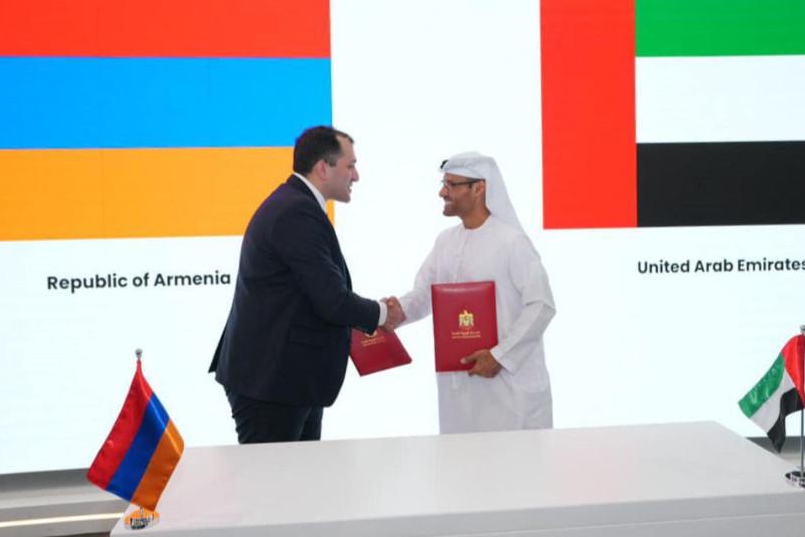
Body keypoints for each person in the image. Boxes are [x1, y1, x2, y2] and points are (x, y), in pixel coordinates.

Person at [209, 125, 405, 443]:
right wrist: (383, 313)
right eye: (351, 165)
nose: (356, 176)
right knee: (274, 475)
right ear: (323, 168)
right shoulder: (296, 211)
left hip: (289, 380)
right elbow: (332, 300)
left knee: (297, 475)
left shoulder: (296, 205)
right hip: (272, 384)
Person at [393, 152, 555, 434]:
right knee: (461, 461)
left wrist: (500, 356)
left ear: (479, 188)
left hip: (510, 392)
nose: (443, 192)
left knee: (512, 462)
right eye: (444, 184)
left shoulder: (512, 242)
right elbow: (423, 296)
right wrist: (389, 313)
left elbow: (541, 306)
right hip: (460, 395)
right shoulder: (445, 242)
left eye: (451, 185)